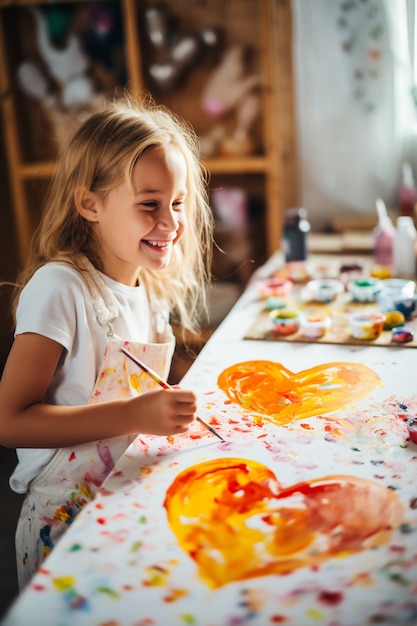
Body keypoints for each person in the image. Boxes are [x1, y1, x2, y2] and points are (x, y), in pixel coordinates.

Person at [0, 94, 214, 590]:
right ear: (89, 204)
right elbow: (10, 422)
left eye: (178, 203)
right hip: (64, 526)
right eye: (149, 204)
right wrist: (136, 415)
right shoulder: (61, 288)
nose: (171, 221)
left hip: (121, 503)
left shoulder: (146, 288)